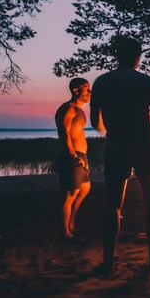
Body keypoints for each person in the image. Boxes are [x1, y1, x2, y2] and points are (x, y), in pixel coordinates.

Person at [89, 37, 150, 274]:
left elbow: (94, 121)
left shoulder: (102, 82)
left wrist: (111, 134)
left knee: (113, 204)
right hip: (145, 146)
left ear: (117, 55)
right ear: (138, 56)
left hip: (116, 147)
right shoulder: (146, 81)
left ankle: (108, 263)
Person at [54, 77, 92, 240]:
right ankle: (65, 232)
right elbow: (64, 134)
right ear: (76, 91)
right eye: (87, 89)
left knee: (85, 189)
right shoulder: (67, 109)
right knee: (70, 193)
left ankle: (71, 223)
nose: (90, 92)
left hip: (82, 156)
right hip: (72, 156)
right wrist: (73, 156)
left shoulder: (80, 110)